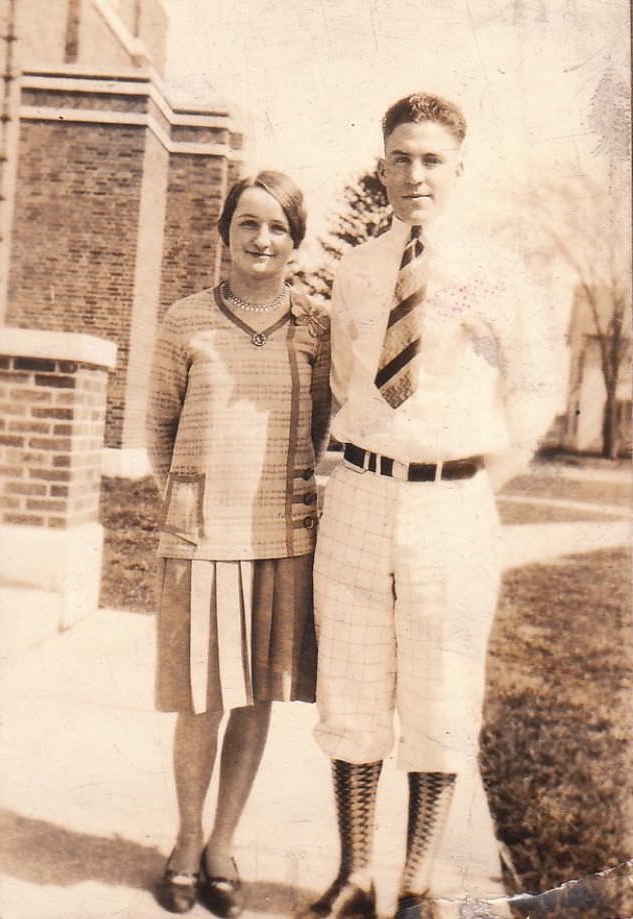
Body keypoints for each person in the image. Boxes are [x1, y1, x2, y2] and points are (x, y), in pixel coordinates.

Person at [300, 93, 560, 919]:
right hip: (361, 496)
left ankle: (418, 884)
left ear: (459, 168)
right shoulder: (357, 268)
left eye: (433, 159)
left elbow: (535, 387)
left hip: (452, 505)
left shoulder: (491, 269)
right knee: (351, 688)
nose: (416, 174)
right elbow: (349, 380)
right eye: (402, 157)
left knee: (442, 691)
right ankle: (355, 876)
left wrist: (481, 477)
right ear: (382, 166)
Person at [146, 170, 331, 915]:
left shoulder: (313, 327)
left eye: (277, 227)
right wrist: (191, 500)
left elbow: (319, 428)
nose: (262, 240)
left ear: (295, 241)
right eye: (247, 224)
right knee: (202, 703)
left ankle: (225, 841)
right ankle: (187, 839)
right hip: (202, 542)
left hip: (282, 539)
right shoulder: (186, 320)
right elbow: (158, 428)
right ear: (224, 234)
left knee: (256, 702)